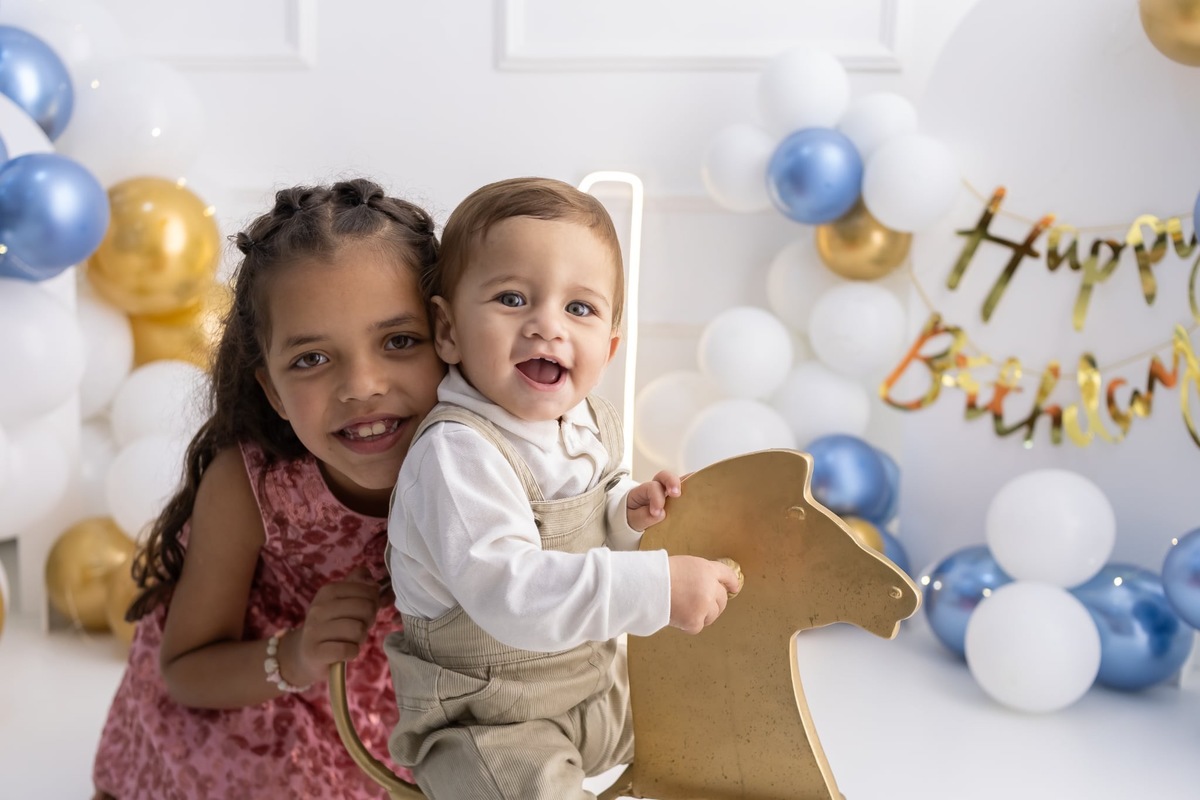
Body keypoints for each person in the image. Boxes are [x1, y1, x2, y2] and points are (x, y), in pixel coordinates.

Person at [385, 176, 741, 799]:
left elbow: (588, 504)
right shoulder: (457, 453)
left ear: (607, 347)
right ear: (448, 331)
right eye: (512, 298)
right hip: (487, 719)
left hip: (589, 685)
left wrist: (625, 515)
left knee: (714, 728)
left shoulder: (586, 421)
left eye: (579, 308)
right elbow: (511, 593)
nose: (547, 326)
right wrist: (656, 585)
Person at [92, 178, 446, 800]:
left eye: (399, 341)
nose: (362, 385)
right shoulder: (251, 488)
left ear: (450, 338)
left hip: (412, 711)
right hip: (261, 706)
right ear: (274, 392)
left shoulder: (489, 465)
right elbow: (185, 671)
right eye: (312, 358)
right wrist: (300, 654)